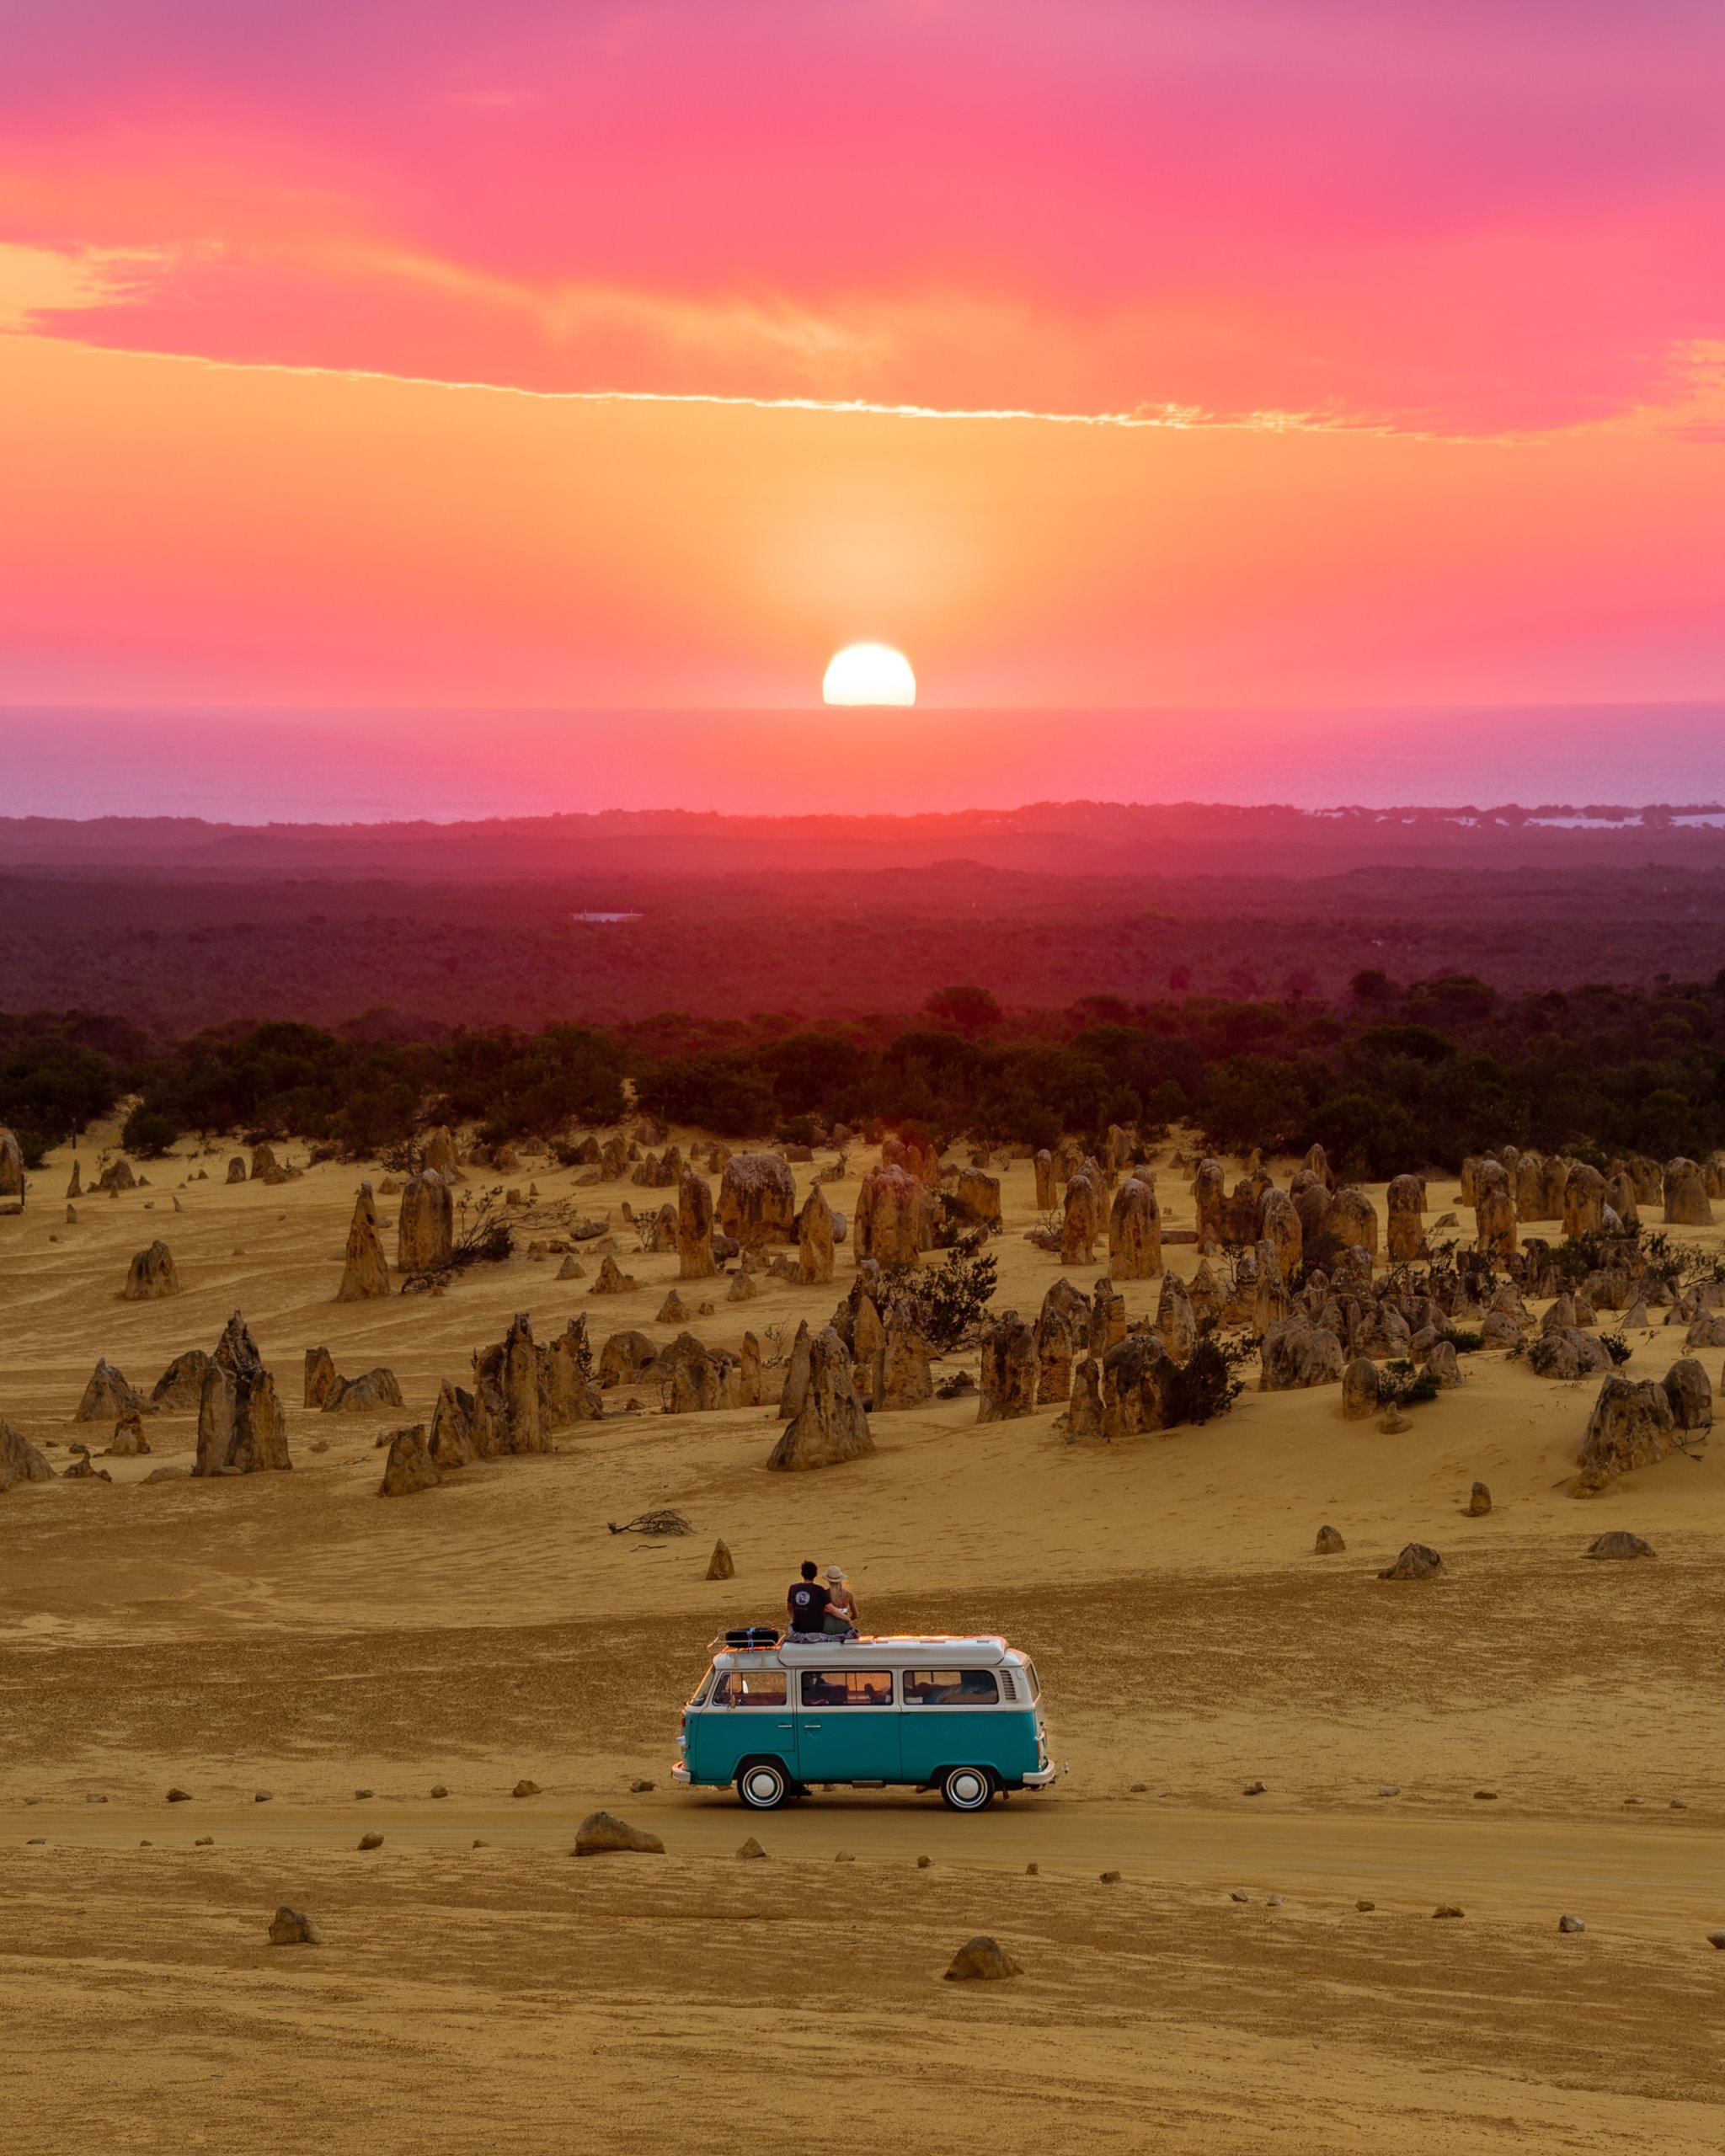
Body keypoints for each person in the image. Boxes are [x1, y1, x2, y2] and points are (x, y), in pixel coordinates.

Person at [786, 1560, 831, 1640]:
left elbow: (789, 1607)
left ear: (802, 1573)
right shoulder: (819, 1590)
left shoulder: (793, 1588)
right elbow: (831, 1609)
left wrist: (794, 1618)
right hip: (816, 1630)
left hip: (798, 1629)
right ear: (815, 1574)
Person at [822, 1565, 860, 1637]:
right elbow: (856, 1615)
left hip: (827, 1628)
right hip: (844, 1627)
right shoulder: (849, 1595)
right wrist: (847, 1619)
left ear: (828, 1580)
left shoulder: (824, 1594)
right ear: (841, 1579)